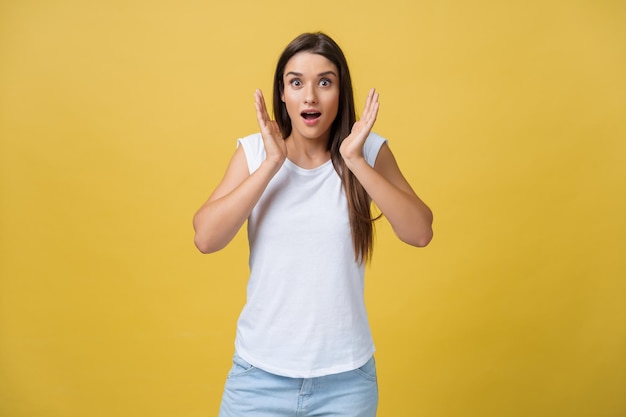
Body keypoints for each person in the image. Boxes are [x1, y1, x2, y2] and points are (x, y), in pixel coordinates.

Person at [193, 32, 433, 417]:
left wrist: (354, 160)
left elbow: (419, 231)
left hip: (346, 384)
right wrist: (273, 163)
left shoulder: (368, 150)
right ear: (283, 94)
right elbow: (205, 237)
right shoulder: (255, 152)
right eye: (296, 82)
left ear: (341, 92)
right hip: (259, 379)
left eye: (325, 82)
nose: (310, 96)